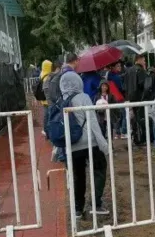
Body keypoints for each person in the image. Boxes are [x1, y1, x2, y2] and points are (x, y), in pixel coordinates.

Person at [59, 67, 110, 218]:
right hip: (89, 142)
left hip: (71, 145)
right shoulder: (84, 97)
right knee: (99, 169)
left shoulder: (61, 101)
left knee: (78, 176)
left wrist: (57, 149)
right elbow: (93, 123)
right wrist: (103, 144)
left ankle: (78, 210)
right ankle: (96, 204)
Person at [124, 54, 149, 145]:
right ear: (139, 59)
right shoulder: (140, 70)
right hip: (140, 97)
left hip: (130, 97)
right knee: (141, 119)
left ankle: (136, 137)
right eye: (144, 60)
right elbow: (144, 85)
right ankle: (141, 139)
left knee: (134, 119)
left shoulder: (128, 70)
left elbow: (125, 85)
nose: (144, 62)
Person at [39, 60, 53, 136]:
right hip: (48, 100)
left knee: (46, 115)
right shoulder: (47, 77)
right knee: (49, 115)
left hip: (43, 99)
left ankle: (45, 129)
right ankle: (47, 130)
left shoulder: (42, 74)